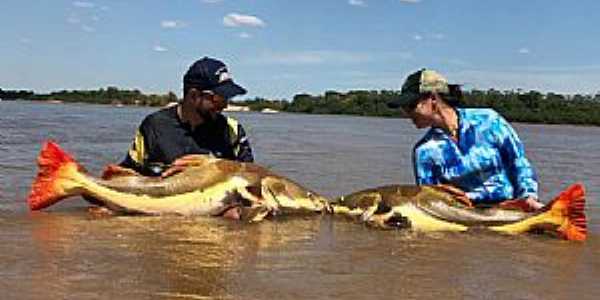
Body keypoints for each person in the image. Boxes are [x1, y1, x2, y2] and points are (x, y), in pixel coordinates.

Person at [387, 68, 543, 210]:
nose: (406, 112)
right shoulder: (424, 152)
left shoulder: (489, 121)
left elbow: (519, 162)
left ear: (432, 99)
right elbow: (429, 203)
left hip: (514, 208)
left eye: (410, 106)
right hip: (467, 216)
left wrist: (528, 198)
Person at [120, 57, 254, 177]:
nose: (224, 105)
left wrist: (212, 166)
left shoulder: (232, 130)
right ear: (194, 95)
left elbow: (252, 176)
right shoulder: (153, 126)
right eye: (217, 98)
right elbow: (128, 173)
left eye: (227, 98)